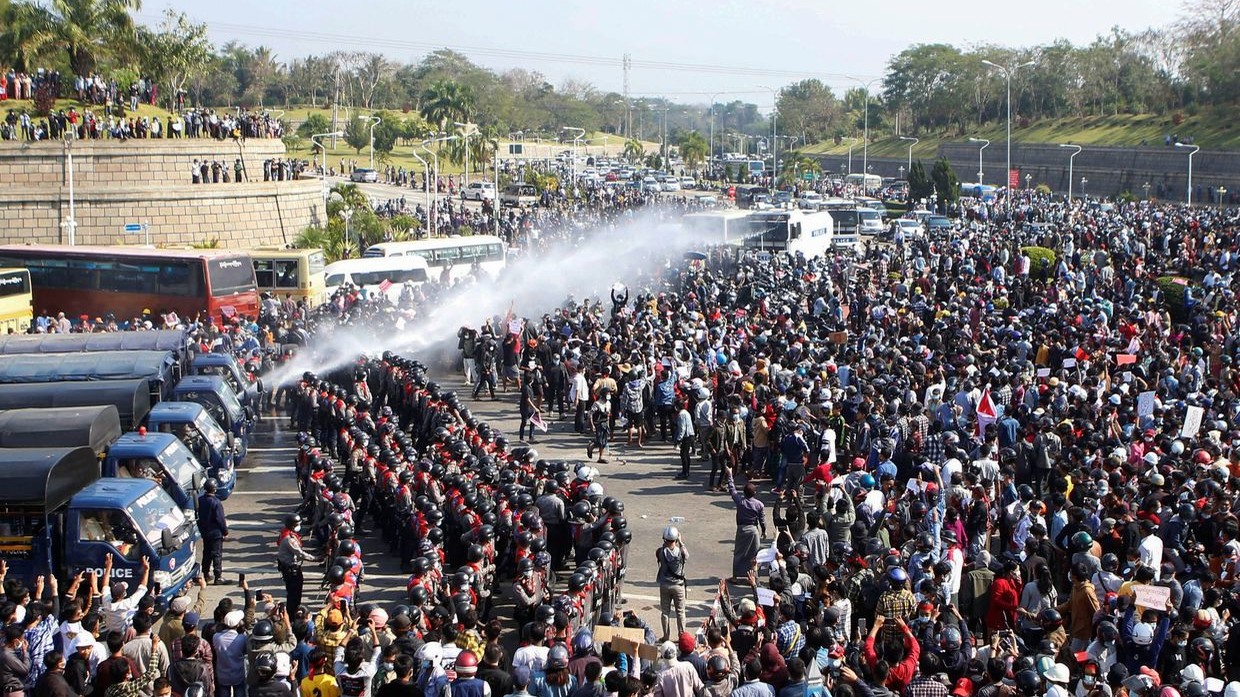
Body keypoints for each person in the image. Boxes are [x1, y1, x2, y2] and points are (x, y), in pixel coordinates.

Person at [725, 470, 766, 583]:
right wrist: (764, 530)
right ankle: (752, 578)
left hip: (742, 529)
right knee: (754, 554)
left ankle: (735, 576)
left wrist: (730, 475)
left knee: (739, 552)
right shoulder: (759, 505)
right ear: (754, 493)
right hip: (753, 530)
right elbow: (762, 519)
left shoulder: (740, 502)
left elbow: (732, 490)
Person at [655, 526, 688, 643]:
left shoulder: (660, 552)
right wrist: (681, 541)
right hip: (678, 586)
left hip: (665, 585)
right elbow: (687, 556)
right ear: (676, 539)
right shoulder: (681, 552)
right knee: (680, 612)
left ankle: (666, 636)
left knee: (665, 612)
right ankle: (682, 636)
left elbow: (660, 553)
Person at [277, 514, 317, 611]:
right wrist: (316, 558)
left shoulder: (286, 533)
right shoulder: (289, 539)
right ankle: (292, 614)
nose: (299, 526)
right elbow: (300, 554)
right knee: (294, 594)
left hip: (287, 567)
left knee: (292, 592)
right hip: (291, 569)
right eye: (297, 524)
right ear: (292, 525)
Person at [197, 479, 228, 585]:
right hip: (215, 533)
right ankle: (218, 576)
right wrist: (225, 531)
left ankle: (205, 574)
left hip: (205, 532)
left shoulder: (200, 500)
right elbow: (220, 519)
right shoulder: (216, 502)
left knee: (206, 554)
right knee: (217, 555)